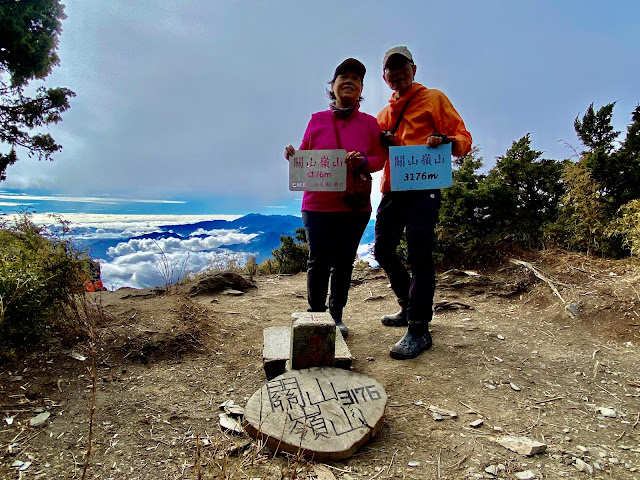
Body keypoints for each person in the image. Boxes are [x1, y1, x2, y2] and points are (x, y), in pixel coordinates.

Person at [374, 46, 472, 359]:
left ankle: (419, 327)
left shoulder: (434, 98)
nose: (398, 72)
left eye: (403, 66)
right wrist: (382, 143)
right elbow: (373, 153)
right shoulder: (384, 114)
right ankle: (408, 305)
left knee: (418, 253)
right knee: (383, 250)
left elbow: (463, 139)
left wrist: (446, 141)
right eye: (392, 68)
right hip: (393, 188)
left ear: (414, 69)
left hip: (425, 187)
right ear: (385, 77)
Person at [285, 58, 386, 338]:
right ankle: (316, 315)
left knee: (343, 262)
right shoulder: (317, 119)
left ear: (361, 88)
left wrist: (363, 161)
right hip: (317, 203)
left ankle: (336, 316)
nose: (349, 81)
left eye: (356, 78)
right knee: (318, 260)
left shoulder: (370, 123)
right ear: (333, 86)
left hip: (354, 203)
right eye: (344, 77)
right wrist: (293, 154)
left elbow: (380, 158)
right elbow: (305, 153)